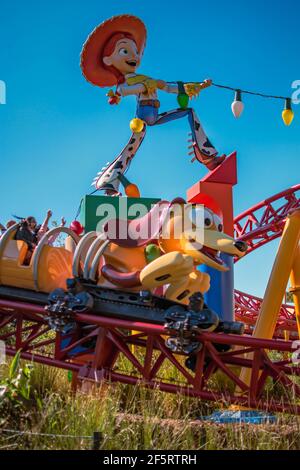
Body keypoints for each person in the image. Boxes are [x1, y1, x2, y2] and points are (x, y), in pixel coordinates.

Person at [81, 15, 226, 195]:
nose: (134, 55)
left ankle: (207, 156)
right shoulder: (128, 80)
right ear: (108, 60)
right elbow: (122, 91)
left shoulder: (148, 79)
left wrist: (200, 86)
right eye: (125, 51)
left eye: (136, 51)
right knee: (130, 150)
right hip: (141, 120)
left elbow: (172, 88)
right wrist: (144, 86)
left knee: (189, 112)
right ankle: (109, 184)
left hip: (155, 117)